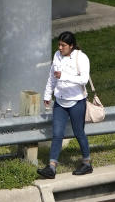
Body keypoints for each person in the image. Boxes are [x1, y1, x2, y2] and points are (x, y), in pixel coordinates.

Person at [39, 30, 93, 178]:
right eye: (59, 45)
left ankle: (87, 163)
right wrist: (47, 94)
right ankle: (51, 167)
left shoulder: (81, 58)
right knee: (57, 134)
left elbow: (83, 80)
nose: (60, 48)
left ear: (71, 46)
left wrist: (64, 76)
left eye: (63, 45)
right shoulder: (57, 56)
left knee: (79, 132)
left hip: (77, 101)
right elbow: (52, 76)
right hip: (60, 102)